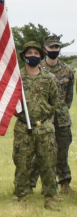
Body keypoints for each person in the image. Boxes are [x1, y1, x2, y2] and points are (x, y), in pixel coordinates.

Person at [13, 42, 62, 211]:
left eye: (35, 52)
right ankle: (21, 197)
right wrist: (22, 116)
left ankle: (50, 197)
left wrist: (45, 115)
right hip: (23, 128)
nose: (32, 55)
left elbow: (55, 101)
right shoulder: (18, 79)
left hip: (44, 128)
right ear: (24, 56)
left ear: (40, 56)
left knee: (48, 163)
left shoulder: (48, 78)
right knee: (22, 163)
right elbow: (11, 102)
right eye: (29, 53)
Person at [41, 35, 74, 195]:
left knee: (62, 152)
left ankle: (65, 184)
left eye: (56, 47)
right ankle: (43, 185)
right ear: (45, 49)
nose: (54, 50)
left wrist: (61, 109)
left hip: (62, 119)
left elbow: (69, 97)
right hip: (44, 118)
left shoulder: (67, 70)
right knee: (41, 153)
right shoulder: (38, 68)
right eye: (51, 47)